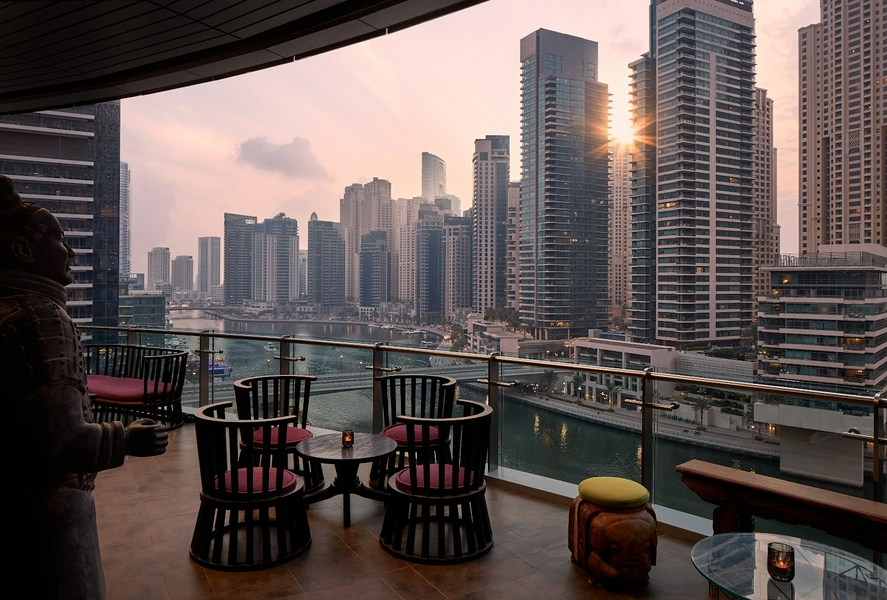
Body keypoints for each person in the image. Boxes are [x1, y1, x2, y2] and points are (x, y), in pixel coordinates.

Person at [0, 175, 168, 599]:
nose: (70, 250)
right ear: (22, 250)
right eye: (59, 238)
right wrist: (127, 438)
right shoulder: (43, 320)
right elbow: (60, 442)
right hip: (48, 510)